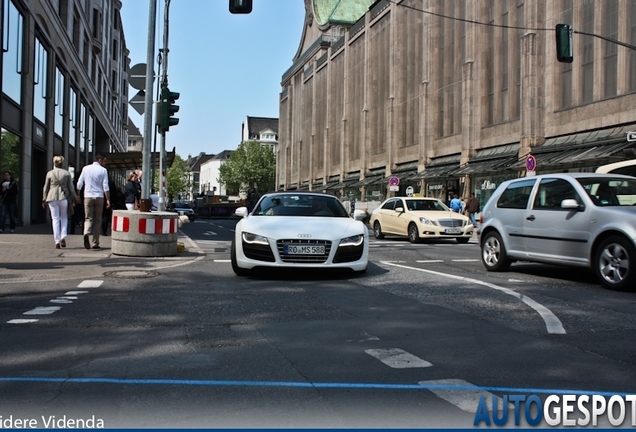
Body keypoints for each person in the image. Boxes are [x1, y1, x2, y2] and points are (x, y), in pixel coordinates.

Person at [42, 156, 80, 249]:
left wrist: (44, 199)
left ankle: (57, 240)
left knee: (55, 219)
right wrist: (76, 197)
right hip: (63, 197)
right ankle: (63, 236)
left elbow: (45, 187)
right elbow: (71, 188)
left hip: (52, 197)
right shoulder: (66, 173)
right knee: (64, 217)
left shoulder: (50, 173)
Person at [76, 154, 110, 250]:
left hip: (88, 196)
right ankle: (95, 242)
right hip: (99, 196)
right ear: (100, 160)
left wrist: (78, 195)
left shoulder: (85, 169)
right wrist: (108, 199)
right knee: (98, 220)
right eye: (104, 161)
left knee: (88, 218)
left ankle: (86, 232)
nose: (105, 163)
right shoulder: (103, 170)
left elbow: (79, 183)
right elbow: (105, 186)